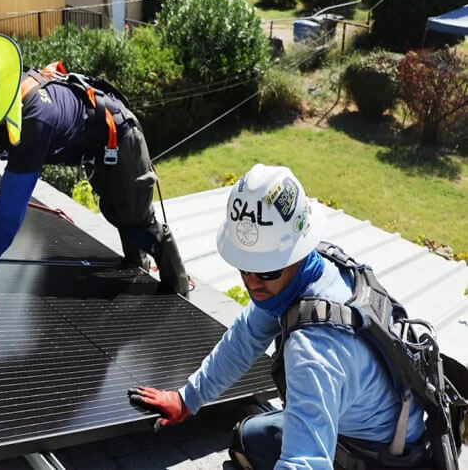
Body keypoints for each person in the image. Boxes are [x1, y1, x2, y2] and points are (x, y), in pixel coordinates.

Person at [128, 163, 429, 469]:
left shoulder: (314, 351)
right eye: (243, 268)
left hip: (382, 457)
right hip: (373, 422)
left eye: (266, 269)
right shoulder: (310, 270)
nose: (252, 282)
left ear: (296, 253)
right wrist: (186, 399)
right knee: (250, 437)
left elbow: (305, 464)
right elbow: (245, 337)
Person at [0, 34, 189, 294]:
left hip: (120, 139)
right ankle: (136, 268)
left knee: (137, 222)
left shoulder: (32, 125)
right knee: (118, 214)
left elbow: (11, 208)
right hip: (97, 144)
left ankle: (179, 292)